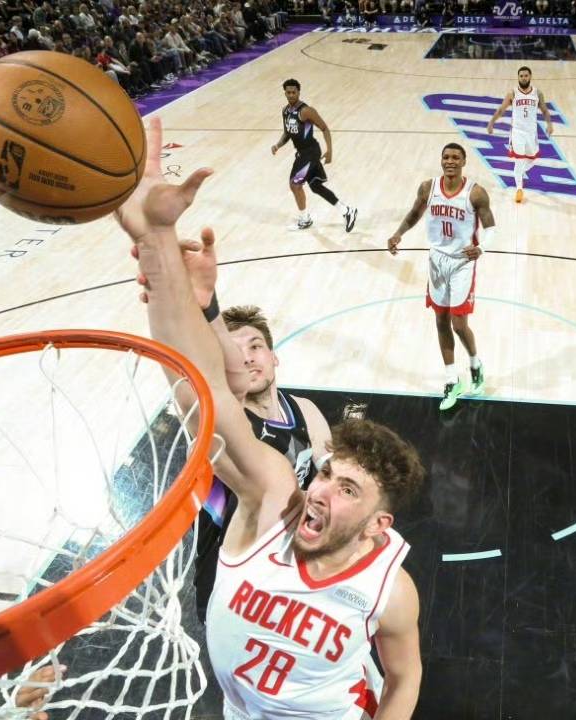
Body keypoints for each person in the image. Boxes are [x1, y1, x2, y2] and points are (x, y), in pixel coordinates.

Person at [121, 117, 424, 719]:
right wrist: (156, 240)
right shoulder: (274, 501)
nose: (321, 490)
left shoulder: (388, 588)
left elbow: (405, 676)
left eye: (348, 489)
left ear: (378, 525)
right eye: (327, 475)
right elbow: (204, 386)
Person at [149, 224, 335, 619]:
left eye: (256, 346)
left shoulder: (305, 410)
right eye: (236, 352)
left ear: (274, 356)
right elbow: (190, 382)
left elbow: (331, 481)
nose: (248, 357)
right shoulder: (223, 419)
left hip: (292, 565)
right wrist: (176, 296)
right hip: (231, 580)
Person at [386, 143, 493, 410]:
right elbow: (414, 214)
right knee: (441, 320)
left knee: (459, 324)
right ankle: (451, 380)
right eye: (446, 157)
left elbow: (491, 227)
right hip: (436, 261)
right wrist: (398, 233)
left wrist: (481, 247)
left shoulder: (475, 193)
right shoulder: (428, 188)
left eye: (456, 157)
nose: (450, 161)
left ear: (464, 161)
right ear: (441, 160)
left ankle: (475, 364)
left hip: (462, 263)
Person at [271, 79, 357, 233]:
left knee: (295, 185)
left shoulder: (306, 111)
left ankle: (305, 219)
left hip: (310, 153)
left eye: (294, 92)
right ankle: (347, 211)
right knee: (316, 186)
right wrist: (278, 145)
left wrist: (329, 150)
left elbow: (324, 128)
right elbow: (287, 133)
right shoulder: (285, 111)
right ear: (285, 93)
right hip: (302, 154)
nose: (291, 95)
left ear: (298, 92)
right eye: (288, 92)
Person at [486, 66, 555, 204]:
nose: (523, 78)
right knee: (519, 161)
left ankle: (519, 173)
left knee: (532, 159)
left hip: (531, 132)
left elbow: (544, 110)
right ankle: (519, 189)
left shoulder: (537, 93)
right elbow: (501, 110)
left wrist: (549, 124)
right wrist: (491, 122)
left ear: (530, 77)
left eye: (526, 75)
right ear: (518, 77)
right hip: (517, 132)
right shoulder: (512, 93)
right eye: (521, 76)